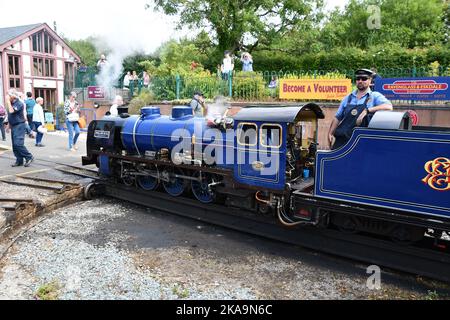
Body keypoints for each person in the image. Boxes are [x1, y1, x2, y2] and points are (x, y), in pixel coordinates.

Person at [328, 68, 393, 150]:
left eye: (364, 79)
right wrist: (330, 133)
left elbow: (388, 107)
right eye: (358, 79)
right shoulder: (348, 98)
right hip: (343, 140)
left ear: (370, 80)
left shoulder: (374, 96)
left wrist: (367, 110)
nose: (360, 81)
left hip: (362, 141)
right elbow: (337, 117)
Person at [5, 89, 34, 167]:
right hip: (14, 125)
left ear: (13, 96)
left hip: (19, 125)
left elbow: (11, 111)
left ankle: (29, 157)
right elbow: (10, 115)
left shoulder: (19, 103)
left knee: (18, 144)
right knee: (14, 145)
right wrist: (8, 126)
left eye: (8, 95)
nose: (7, 97)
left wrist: (8, 102)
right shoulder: (11, 103)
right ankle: (19, 160)